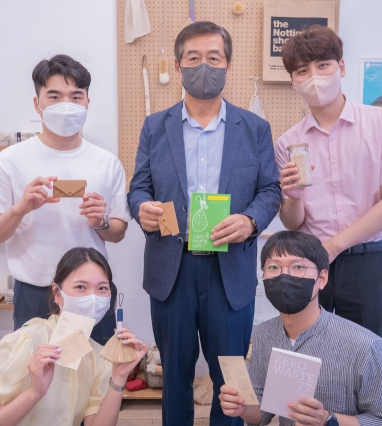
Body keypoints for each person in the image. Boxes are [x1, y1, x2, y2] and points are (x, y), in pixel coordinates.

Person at [128, 21, 281, 426]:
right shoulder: (154, 127)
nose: (204, 66)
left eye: (214, 58)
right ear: (178, 66)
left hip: (229, 271)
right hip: (170, 270)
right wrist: (141, 208)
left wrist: (251, 221)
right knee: (172, 375)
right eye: (193, 58)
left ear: (227, 64)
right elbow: (138, 188)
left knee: (229, 380)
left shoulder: (255, 129)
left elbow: (271, 190)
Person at [274, 26, 382, 339]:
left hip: (366, 261)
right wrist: (294, 198)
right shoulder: (288, 142)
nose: (313, 76)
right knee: (309, 355)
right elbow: (292, 221)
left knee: (366, 358)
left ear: (341, 67)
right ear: (293, 81)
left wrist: (334, 246)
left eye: (322, 65)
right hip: (310, 262)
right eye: (302, 70)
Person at [0, 54, 131, 338]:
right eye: (55, 96)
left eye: (76, 96)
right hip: (35, 293)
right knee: (38, 377)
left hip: (92, 293)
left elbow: (118, 233)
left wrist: (101, 222)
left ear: (87, 102)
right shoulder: (9, 161)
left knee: (95, 375)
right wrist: (20, 208)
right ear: (37, 103)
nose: (66, 106)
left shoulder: (106, 162)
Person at [219, 231, 382, 426]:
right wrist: (242, 407)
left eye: (298, 266)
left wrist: (328, 420)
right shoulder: (265, 334)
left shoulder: (366, 346)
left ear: (322, 278)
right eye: (273, 267)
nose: (285, 275)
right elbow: (262, 413)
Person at [0, 247, 147, 426]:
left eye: (102, 288)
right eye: (81, 287)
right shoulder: (24, 342)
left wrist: (118, 378)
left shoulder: (100, 359)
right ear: (57, 293)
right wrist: (34, 393)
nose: (93, 298)